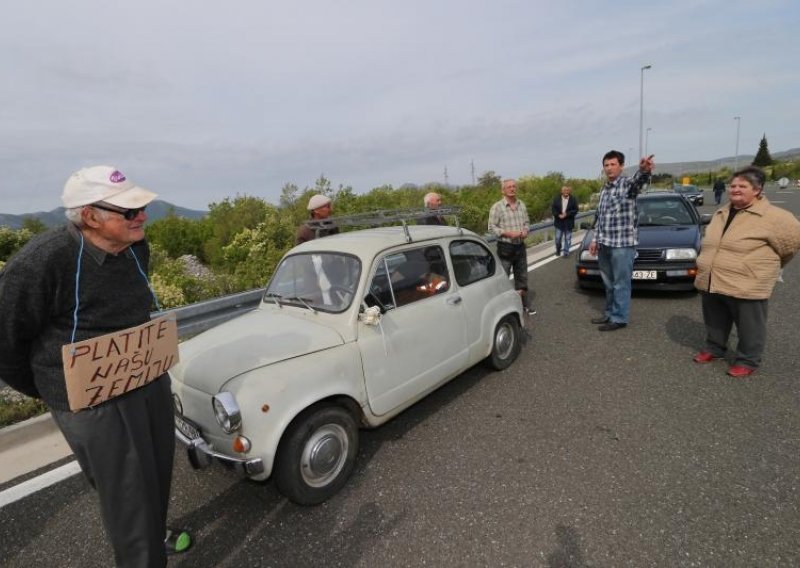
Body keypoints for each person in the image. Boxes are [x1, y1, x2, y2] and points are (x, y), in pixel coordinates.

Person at [0, 166, 190, 567]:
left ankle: (154, 536)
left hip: (145, 377)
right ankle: (142, 557)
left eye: (141, 207)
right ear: (90, 216)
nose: (142, 216)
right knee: (127, 490)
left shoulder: (136, 246)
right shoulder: (43, 261)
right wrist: (55, 388)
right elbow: (6, 340)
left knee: (157, 469)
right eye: (128, 211)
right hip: (93, 400)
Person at [693, 166, 800, 377]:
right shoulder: (722, 212)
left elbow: (791, 245)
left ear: (757, 189)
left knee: (750, 324)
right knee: (715, 318)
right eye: (733, 185)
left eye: (743, 186)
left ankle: (748, 360)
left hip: (748, 282)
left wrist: (765, 267)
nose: (735, 189)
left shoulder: (774, 216)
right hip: (713, 279)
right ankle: (715, 348)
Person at [589, 151, 655, 331]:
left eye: (613, 164)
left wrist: (643, 171)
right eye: (606, 165)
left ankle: (619, 318)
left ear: (621, 166)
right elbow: (600, 218)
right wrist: (595, 240)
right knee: (609, 283)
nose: (609, 168)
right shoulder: (604, 189)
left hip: (622, 244)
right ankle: (610, 313)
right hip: (605, 243)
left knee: (621, 283)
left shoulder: (626, 185)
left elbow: (637, 183)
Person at [489, 178, 535, 315]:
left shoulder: (522, 205)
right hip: (505, 247)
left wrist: (526, 230)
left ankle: (523, 305)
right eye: (509, 187)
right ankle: (503, 309)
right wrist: (508, 233)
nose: (512, 189)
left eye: (514, 186)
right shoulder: (497, 207)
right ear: (503, 190)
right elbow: (491, 227)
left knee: (522, 277)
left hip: (520, 246)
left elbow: (527, 222)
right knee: (503, 279)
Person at [551, 185, 579, 257]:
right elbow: (553, 209)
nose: (566, 192)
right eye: (565, 190)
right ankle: (558, 250)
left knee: (568, 238)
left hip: (568, 222)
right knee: (557, 238)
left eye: (567, 190)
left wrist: (567, 214)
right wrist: (558, 215)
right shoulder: (556, 199)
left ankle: (566, 252)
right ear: (561, 191)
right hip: (559, 222)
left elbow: (576, 210)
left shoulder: (573, 199)